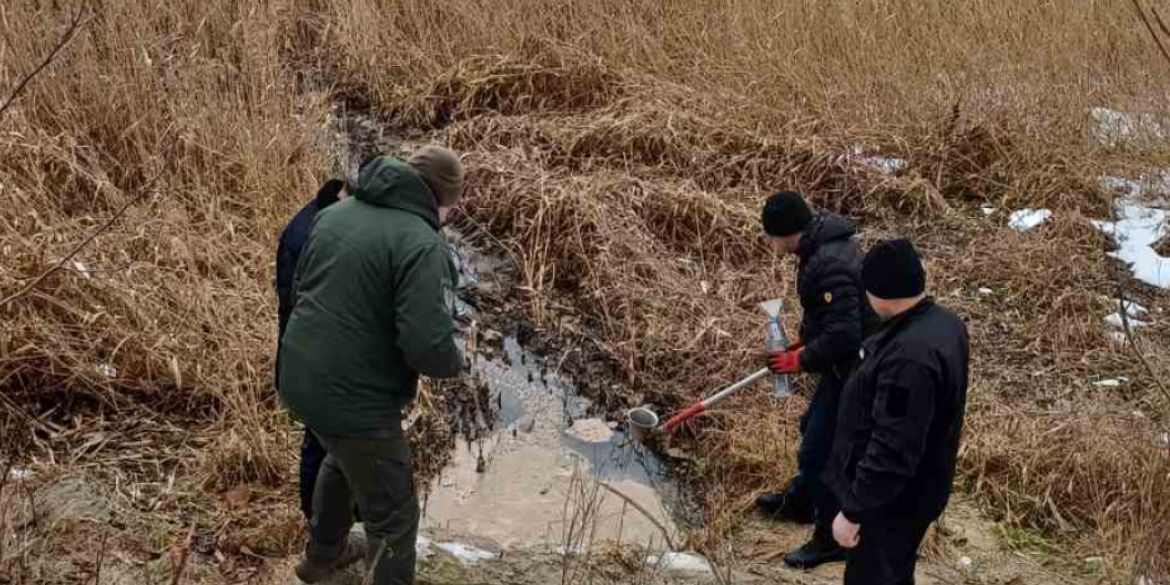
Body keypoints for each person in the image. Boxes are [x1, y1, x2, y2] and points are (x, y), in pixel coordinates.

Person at [279, 146, 466, 585]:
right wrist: (454, 360)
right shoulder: (423, 246)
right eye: (452, 210)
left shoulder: (337, 212)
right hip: (353, 398)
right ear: (440, 200)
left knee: (342, 458)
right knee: (396, 513)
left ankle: (323, 558)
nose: (449, 218)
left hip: (299, 374)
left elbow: (303, 288)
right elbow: (427, 346)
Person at [823, 239, 970, 585]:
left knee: (872, 576)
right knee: (894, 571)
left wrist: (853, 512)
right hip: (918, 487)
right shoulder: (944, 324)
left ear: (881, 294)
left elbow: (893, 448)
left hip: (891, 503)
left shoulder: (910, 359)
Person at [757, 191, 878, 569]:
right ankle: (802, 502)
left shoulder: (827, 264)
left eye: (769, 235)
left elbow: (844, 333)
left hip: (861, 368)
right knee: (812, 426)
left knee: (822, 450)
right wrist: (805, 342)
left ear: (783, 233)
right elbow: (834, 319)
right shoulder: (819, 246)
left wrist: (800, 359)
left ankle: (829, 540)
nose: (768, 242)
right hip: (846, 361)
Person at [275, 178, 347, 523]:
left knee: (324, 441)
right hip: (311, 355)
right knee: (319, 442)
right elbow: (302, 306)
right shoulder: (310, 234)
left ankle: (327, 522)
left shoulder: (324, 216)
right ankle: (315, 522)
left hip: (309, 352)